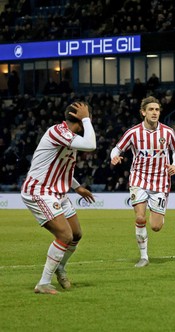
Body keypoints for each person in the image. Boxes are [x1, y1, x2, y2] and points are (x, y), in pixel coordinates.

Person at [20, 102, 96, 295]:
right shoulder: (57, 132)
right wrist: (86, 118)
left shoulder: (69, 138)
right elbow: (91, 145)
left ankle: (60, 266)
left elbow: (61, 168)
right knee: (65, 235)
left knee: (76, 234)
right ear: (79, 119)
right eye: (87, 117)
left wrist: (77, 187)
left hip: (57, 192)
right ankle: (43, 283)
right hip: (39, 190)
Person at [110, 96, 175, 268]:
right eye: (151, 109)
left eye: (157, 109)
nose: (155, 112)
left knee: (156, 227)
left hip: (160, 181)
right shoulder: (133, 132)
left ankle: (156, 212)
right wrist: (115, 157)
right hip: (139, 178)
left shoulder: (167, 132)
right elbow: (117, 148)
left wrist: (174, 164)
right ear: (143, 112)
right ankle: (144, 257)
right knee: (140, 218)